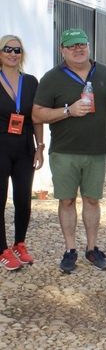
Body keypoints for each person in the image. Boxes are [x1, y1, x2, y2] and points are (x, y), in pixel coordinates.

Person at [32, 28, 106, 273]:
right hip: (65, 151)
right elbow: (37, 113)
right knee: (67, 201)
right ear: (62, 51)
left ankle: (92, 248)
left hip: (97, 150)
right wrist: (67, 111)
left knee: (92, 200)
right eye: (71, 46)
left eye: (82, 44)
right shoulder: (52, 78)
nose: (78, 49)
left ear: (89, 46)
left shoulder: (105, 73)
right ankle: (70, 250)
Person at [0, 35, 44, 270]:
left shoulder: (30, 82)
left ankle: (19, 243)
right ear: (0, 53)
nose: (12, 54)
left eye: (17, 50)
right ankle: (2, 250)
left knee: (23, 199)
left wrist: (40, 147)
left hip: (25, 147)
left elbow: (36, 117)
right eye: (7, 49)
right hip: (1, 147)